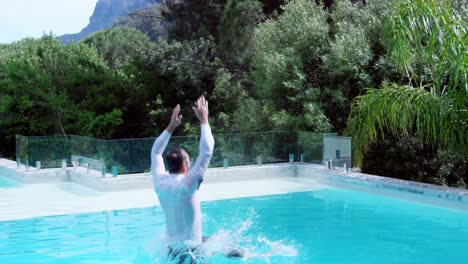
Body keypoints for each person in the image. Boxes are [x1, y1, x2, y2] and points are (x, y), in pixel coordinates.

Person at [150, 96, 244, 263]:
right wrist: (204, 120)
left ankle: (237, 253)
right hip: (192, 254)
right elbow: (207, 150)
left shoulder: (160, 183)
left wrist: (171, 127)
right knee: (219, 248)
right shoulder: (187, 185)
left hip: (172, 250)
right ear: (185, 165)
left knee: (226, 246)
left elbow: (156, 152)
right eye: (188, 160)